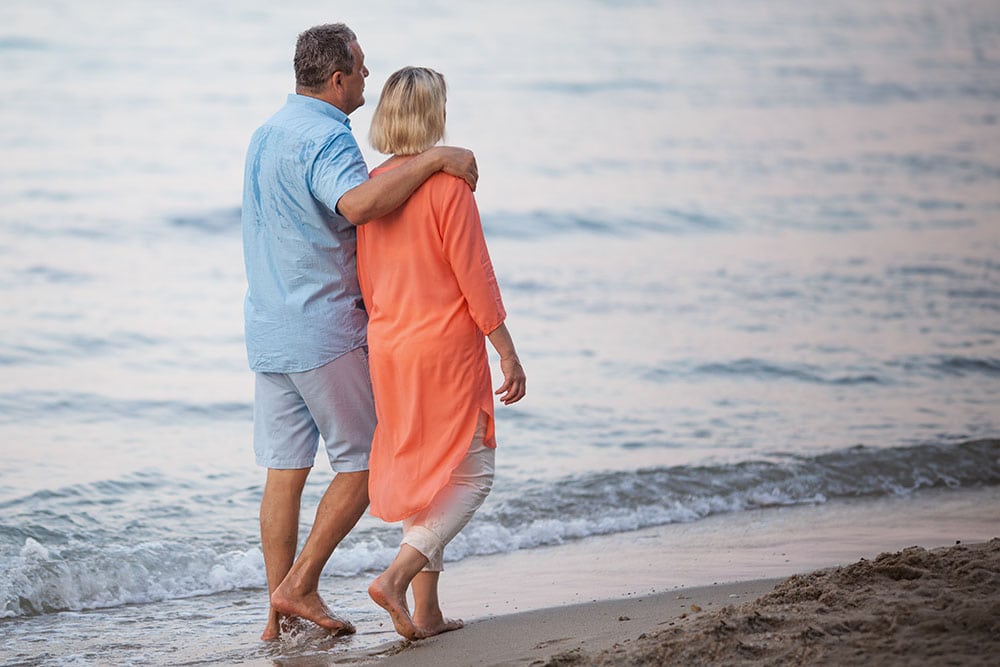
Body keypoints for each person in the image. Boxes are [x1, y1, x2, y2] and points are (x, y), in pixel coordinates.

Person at [241, 24, 479, 642]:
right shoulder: (327, 137)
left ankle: (279, 615)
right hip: (323, 328)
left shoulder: (266, 133)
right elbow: (358, 205)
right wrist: (435, 158)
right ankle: (299, 586)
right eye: (362, 69)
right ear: (338, 78)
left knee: (284, 471)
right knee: (367, 464)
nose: (369, 80)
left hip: (267, 328)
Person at [356, 66, 526, 640]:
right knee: (474, 473)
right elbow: (474, 275)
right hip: (443, 349)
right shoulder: (448, 185)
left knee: (425, 472)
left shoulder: (373, 187)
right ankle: (395, 577)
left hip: (390, 349)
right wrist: (506, 350)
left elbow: (368, 284)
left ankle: (426, 613)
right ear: (435, 116)